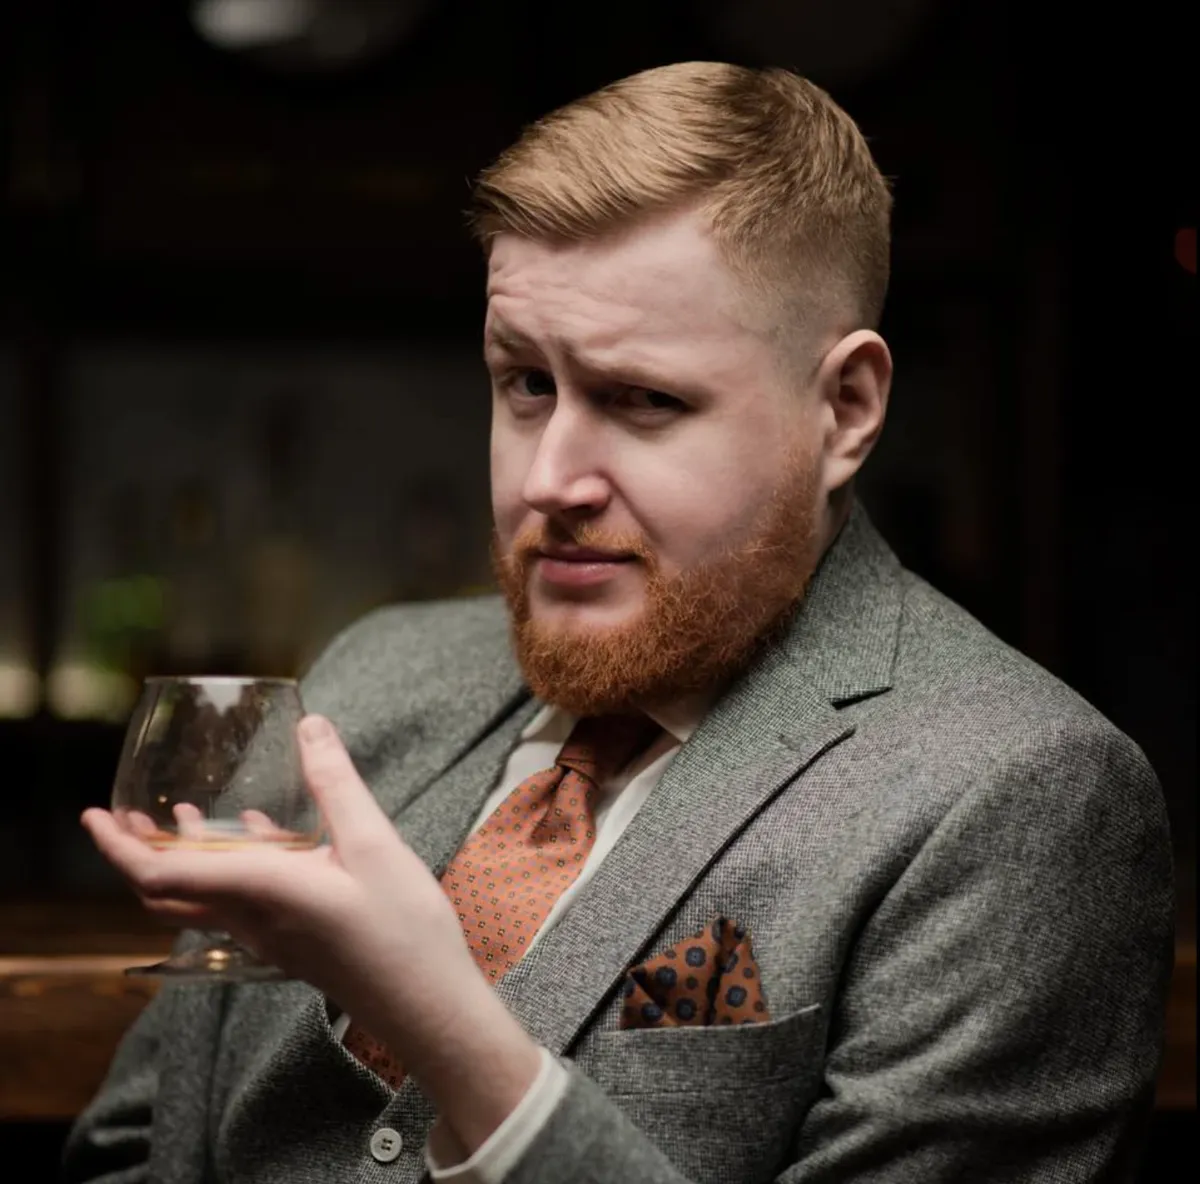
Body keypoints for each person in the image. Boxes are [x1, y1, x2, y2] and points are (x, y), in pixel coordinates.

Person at [64, 62, 1174, 1184]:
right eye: (526, 383)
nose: (549, 479)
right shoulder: (374, 672)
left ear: (845, 410)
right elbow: (137, 1147)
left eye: (644, 400)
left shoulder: (1020, 796)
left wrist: (440, 1015)